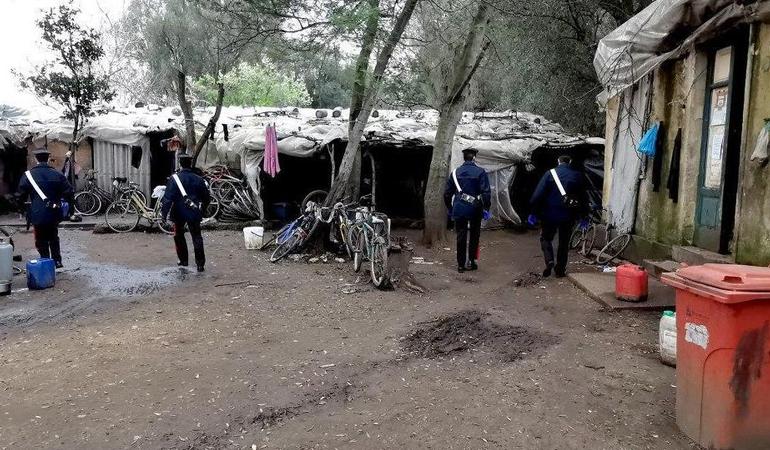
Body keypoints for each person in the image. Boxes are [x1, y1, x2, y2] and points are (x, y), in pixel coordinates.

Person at [529, 155, 589, 278]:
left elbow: (537, 195)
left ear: (558, 161)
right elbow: (583, 198)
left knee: (546, 238)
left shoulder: (549, 174)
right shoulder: (577, 175)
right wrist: (584, 216)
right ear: (570, 161)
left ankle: (549, 260)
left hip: (549, 214)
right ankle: (560, 270)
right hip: (568, 215)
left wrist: (533, 212)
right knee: (564, 242)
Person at [17, 148, 74, 268]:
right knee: (53, 235)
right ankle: (57, 261)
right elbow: (69, 192)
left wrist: (21, 209)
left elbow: (20, 195)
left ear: (36, 159)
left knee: (40, 238)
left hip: (37, 212)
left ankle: (45, 261)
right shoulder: (57, 174)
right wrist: (67, 207)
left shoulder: (28, 175)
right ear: (48, 159)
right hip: (54, 211)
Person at [444, 148, 491, 273]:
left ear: (464, 158)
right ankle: (471, 261)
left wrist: (450, 208)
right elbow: (486, 192)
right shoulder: (481, 172)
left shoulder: (455, 173)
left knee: (461, 235)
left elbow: (447, 194)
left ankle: (460, 265)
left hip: (459, 207)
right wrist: (486, 208)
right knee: (475, 235)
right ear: (474, 157)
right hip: (475, 207)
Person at [161, 154, 211, 272]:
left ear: (180, 164)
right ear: (190, 164)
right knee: (197, 237)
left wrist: (164, 215)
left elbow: (168, 199)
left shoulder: (175, 179)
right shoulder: (199, 179)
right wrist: (202, 210)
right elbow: (206, 198)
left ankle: (183, 260)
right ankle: (200, 265)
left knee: (179, 236)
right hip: (194, 212)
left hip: (178, 213)